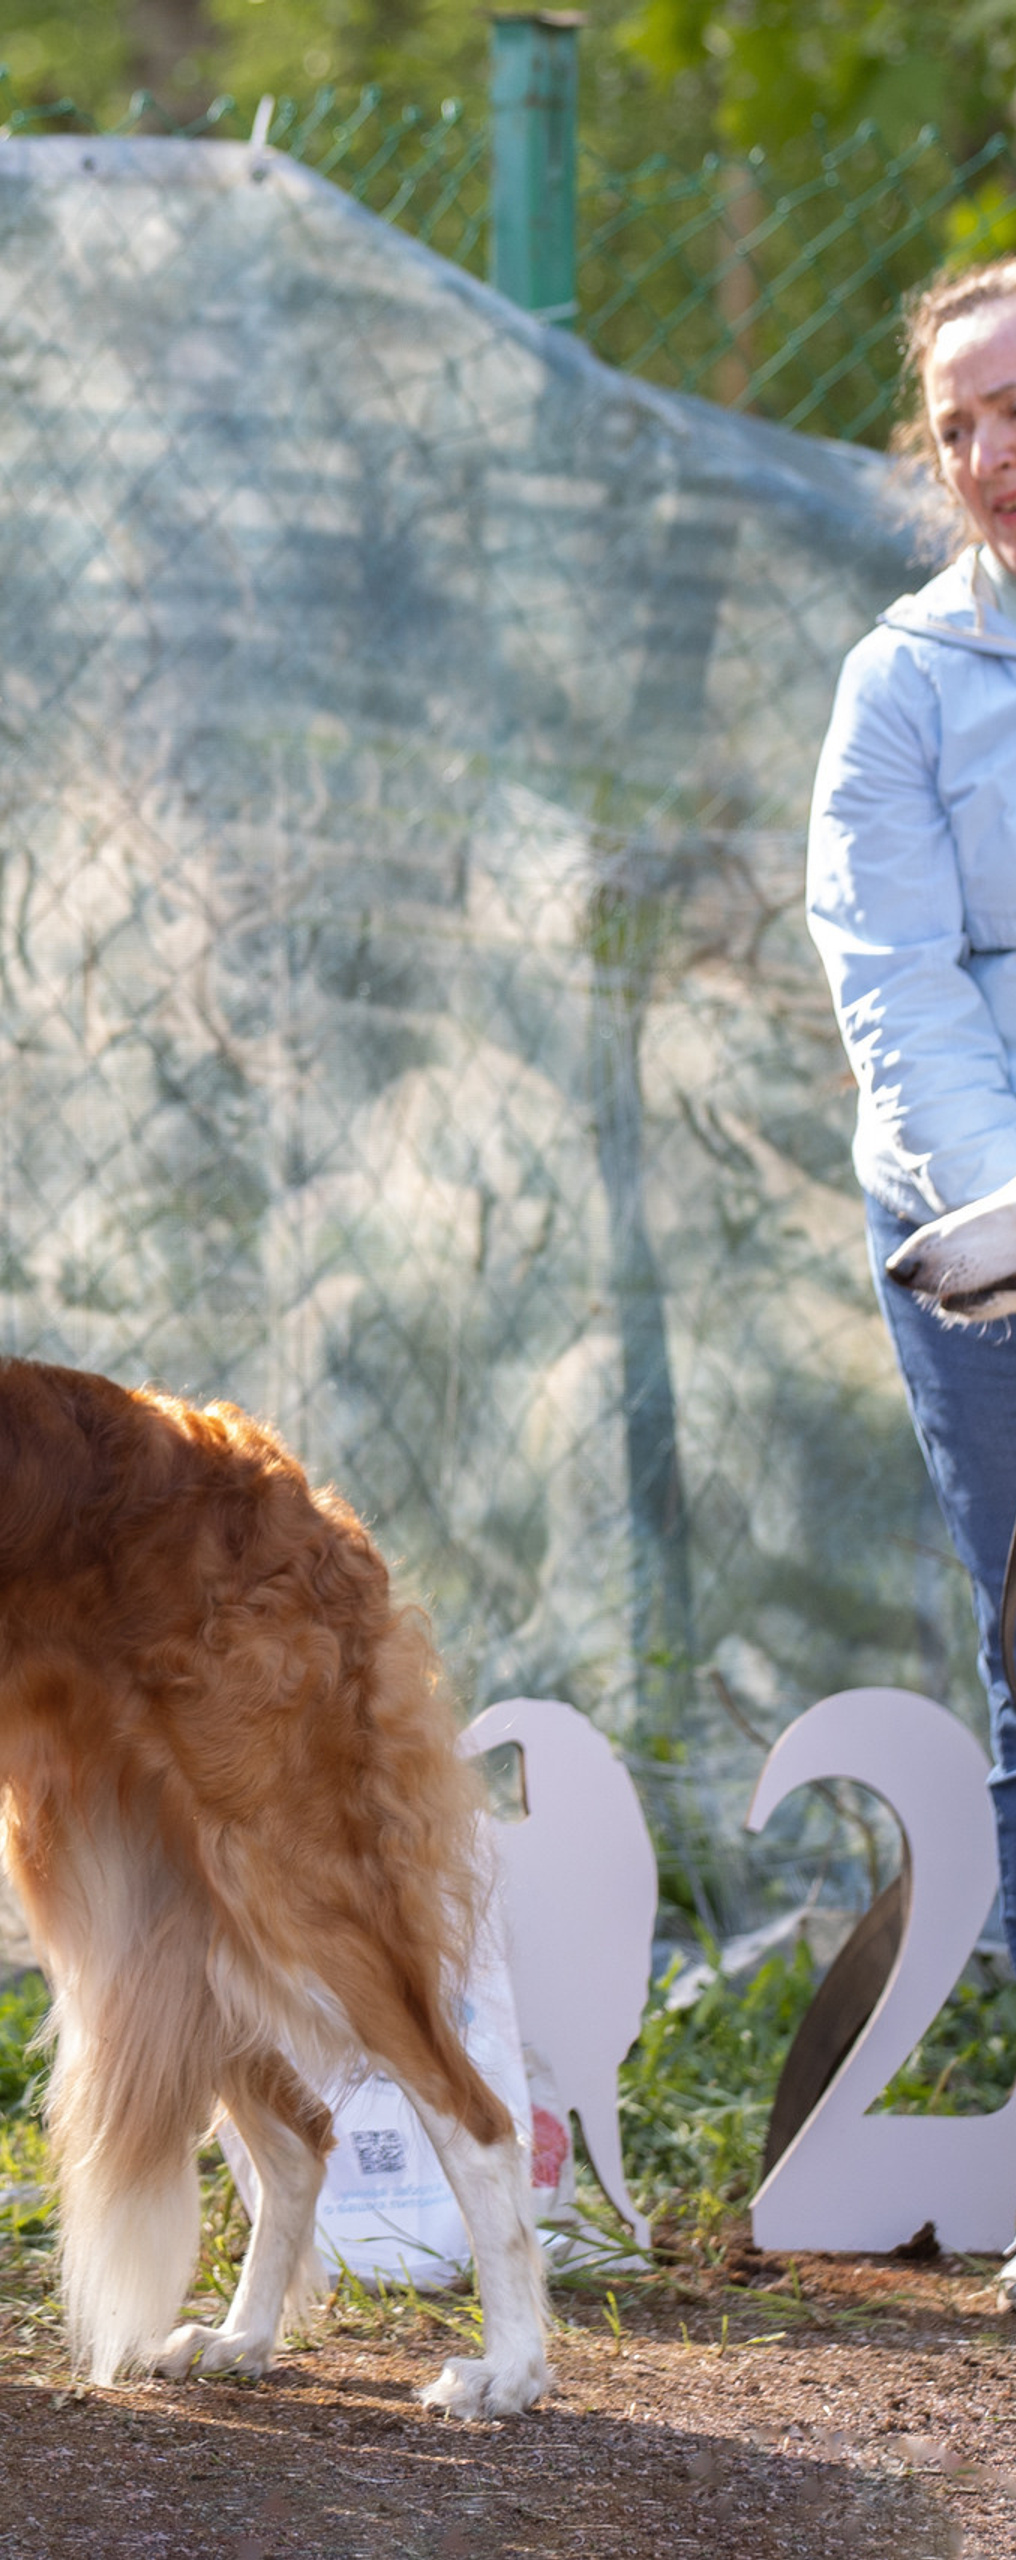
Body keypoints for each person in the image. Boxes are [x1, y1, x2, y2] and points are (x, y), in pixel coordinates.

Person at [810, 253, 1016, 1962]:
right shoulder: (902, 682)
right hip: (983, 1230)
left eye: (1014, 409)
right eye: (958, 426)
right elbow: (899, 988)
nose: (988, 453)